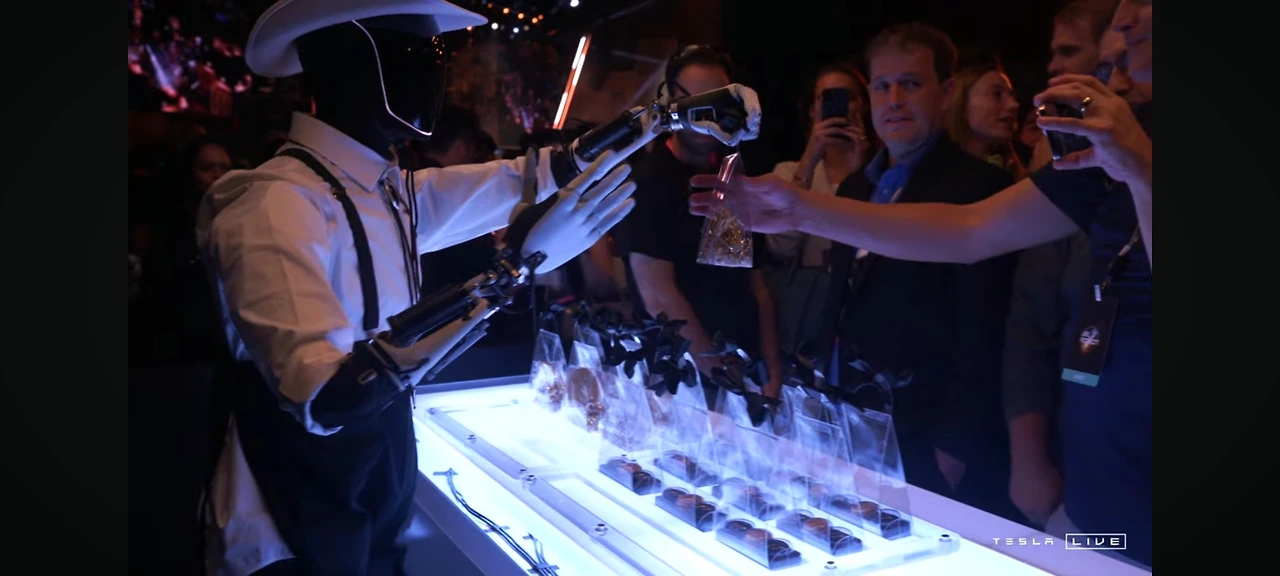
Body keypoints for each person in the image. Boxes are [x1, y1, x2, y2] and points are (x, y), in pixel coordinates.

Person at [196, 2, 763, 574]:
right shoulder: (273, 204)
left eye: (436, 53)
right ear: (351, 57)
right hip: (286, 525)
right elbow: (326, 396)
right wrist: (511, 271)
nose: (436, 72)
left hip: (373, 485)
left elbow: (539, 172)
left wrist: (665, 118)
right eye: (416, 51)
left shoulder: (384, 191)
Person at [690, 1, 1153, 567]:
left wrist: (1139, 164)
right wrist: (801, 208)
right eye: (881, 85)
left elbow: (994, 320)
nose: (1123, 21)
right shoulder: (1113, 152)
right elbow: (970, 230)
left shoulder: (1124, 152)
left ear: (945, 92)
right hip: (1092, 501)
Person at [817, 23, 1021, 521]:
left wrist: (954, 444)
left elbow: (986, 328)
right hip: (847, 420)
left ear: (945, 93)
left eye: (910, 84)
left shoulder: (982, 191)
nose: (894, 100)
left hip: (928, 436)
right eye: (882, 86)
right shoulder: (854, 190)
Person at [620, 45, 783, 402]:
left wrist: (771, 368)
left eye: (717, 101)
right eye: (692, 102)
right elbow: (658, 294)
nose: (705, 115)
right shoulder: (651, 180)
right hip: (686, 381)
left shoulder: (733, 172)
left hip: (744, 372)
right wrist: (721, 375)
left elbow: (757, 284)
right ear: (670, 102)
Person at [767, 61, 874, 354]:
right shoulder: (789, 174)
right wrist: (809, 161)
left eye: (849, 96)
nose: (838, 106)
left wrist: (859, 177)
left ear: (863, 106)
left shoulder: (879, 176)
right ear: (813, 110)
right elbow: (779, 247)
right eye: (826, 98)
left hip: (862, 308)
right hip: (806, 306)